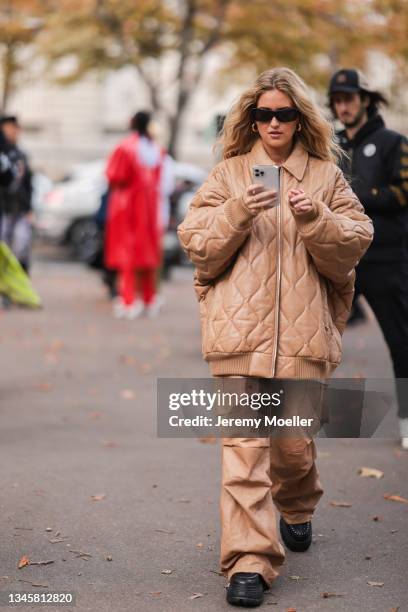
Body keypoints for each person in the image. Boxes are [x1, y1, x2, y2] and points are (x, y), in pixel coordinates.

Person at [178, 67, 373, 607]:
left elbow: (355, 243)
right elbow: (196, 243)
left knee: (291, 447)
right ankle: (249, 562)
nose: (273, 123)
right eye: (263, 114)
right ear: (250, 119)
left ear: (300, 119)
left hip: (303, 336)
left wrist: (317, 220)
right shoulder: (230, 174)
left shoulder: (325, 177)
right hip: (237, 334)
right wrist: (240, 210)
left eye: (284, 113)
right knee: (244, 450)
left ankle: (298, 505)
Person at [328, 68, 408, 450]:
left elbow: (401, 193)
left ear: (364, 99)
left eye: (348, 97)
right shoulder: (332, 146)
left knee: (401, 340)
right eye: (337, 100)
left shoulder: (394, 142)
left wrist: (356, 193)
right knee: (314, 337)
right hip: (341, 256)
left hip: (386, 257)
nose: (343, 106)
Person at [105, 111, 172, 319]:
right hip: (151, 208)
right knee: (149, 254)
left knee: (128, 254)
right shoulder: (157, 150)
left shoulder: (125, 147)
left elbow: (114, 175)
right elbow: (165, 182)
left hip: (128, 208)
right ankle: (149, 299)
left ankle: (128, 300)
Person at [0, 115, 33, 274]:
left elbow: (28, 182)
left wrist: (29, 208)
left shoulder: (20, 155)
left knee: (22, 244)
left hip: (19, 207)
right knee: (4, 248)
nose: (13, 132)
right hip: (4, 208)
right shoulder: (3, 153)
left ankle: (21, 278)